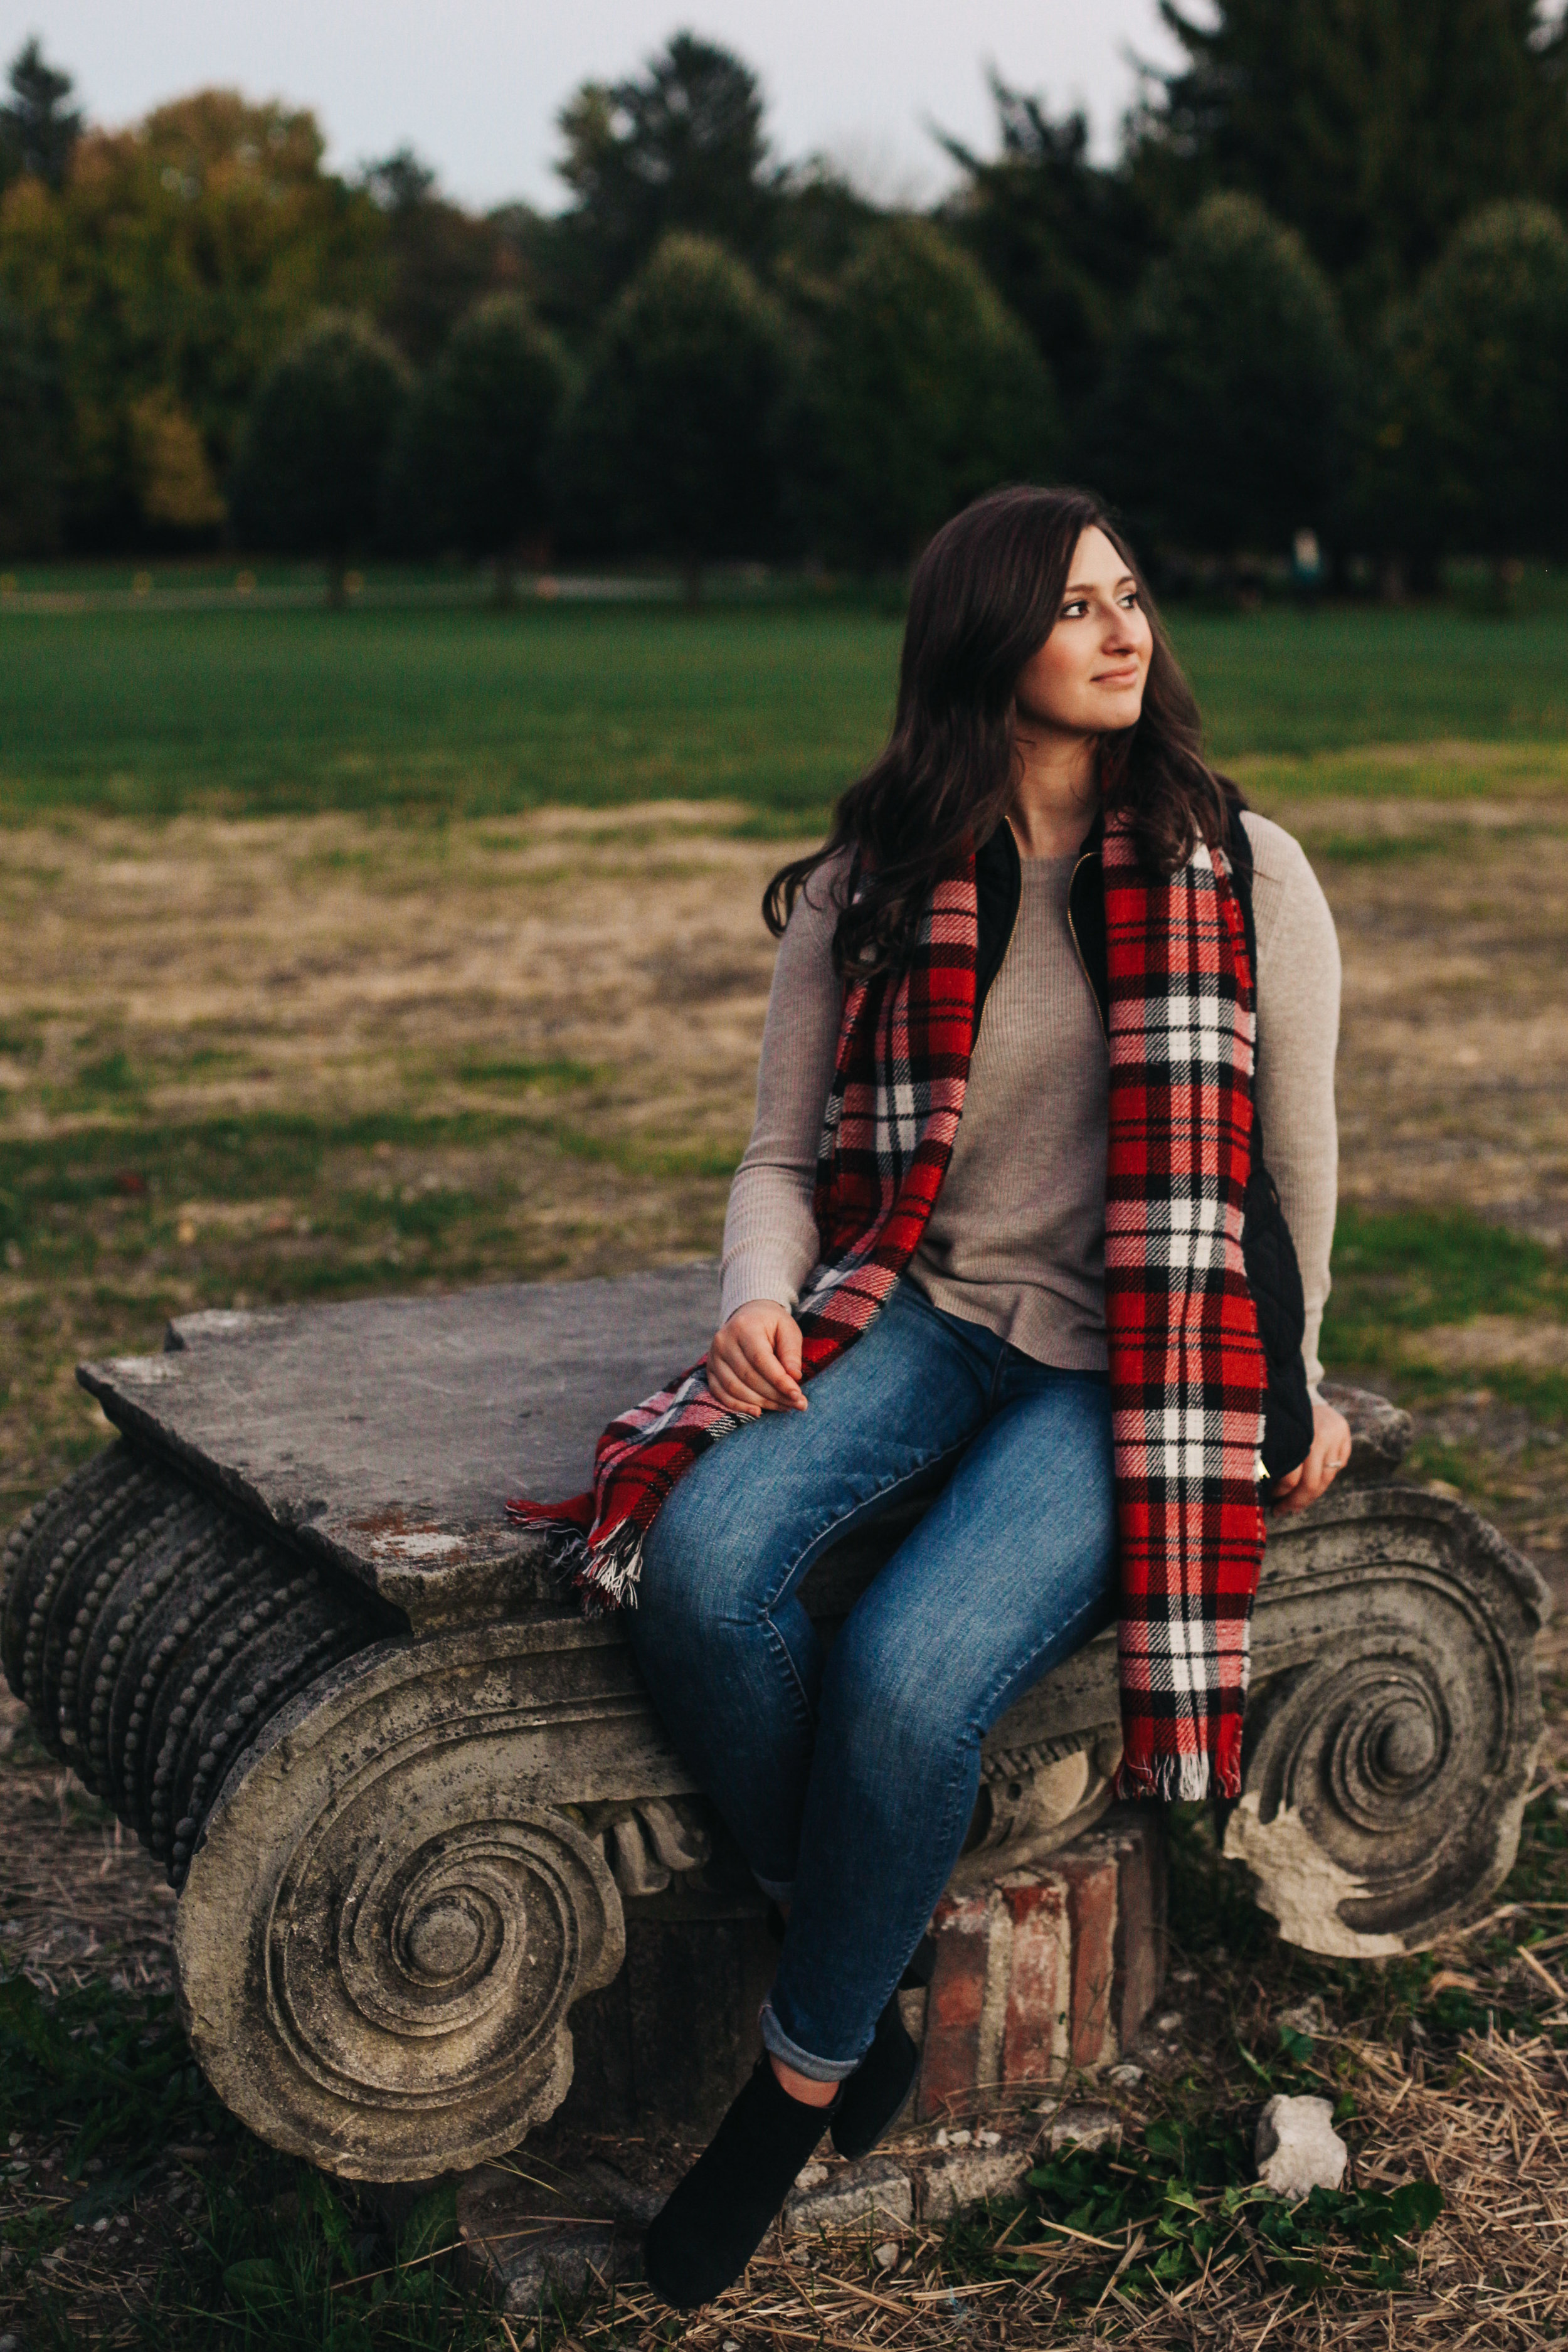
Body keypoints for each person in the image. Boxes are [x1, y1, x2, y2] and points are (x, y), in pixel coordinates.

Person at [522, 486, 1347, 2307]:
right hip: (920, 1305)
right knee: (709, 1554)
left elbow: (1289, 1181)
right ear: (988, 645)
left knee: (911, 1671)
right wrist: (756, 1303)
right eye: (1078, 608)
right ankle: (852, 1951)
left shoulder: (1239, 863)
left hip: (1130, 1353)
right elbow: (771, 1157)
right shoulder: (874, 877)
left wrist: (1285, 1391)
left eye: (1133, 598)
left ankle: (796, 2083)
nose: (1127, 633)